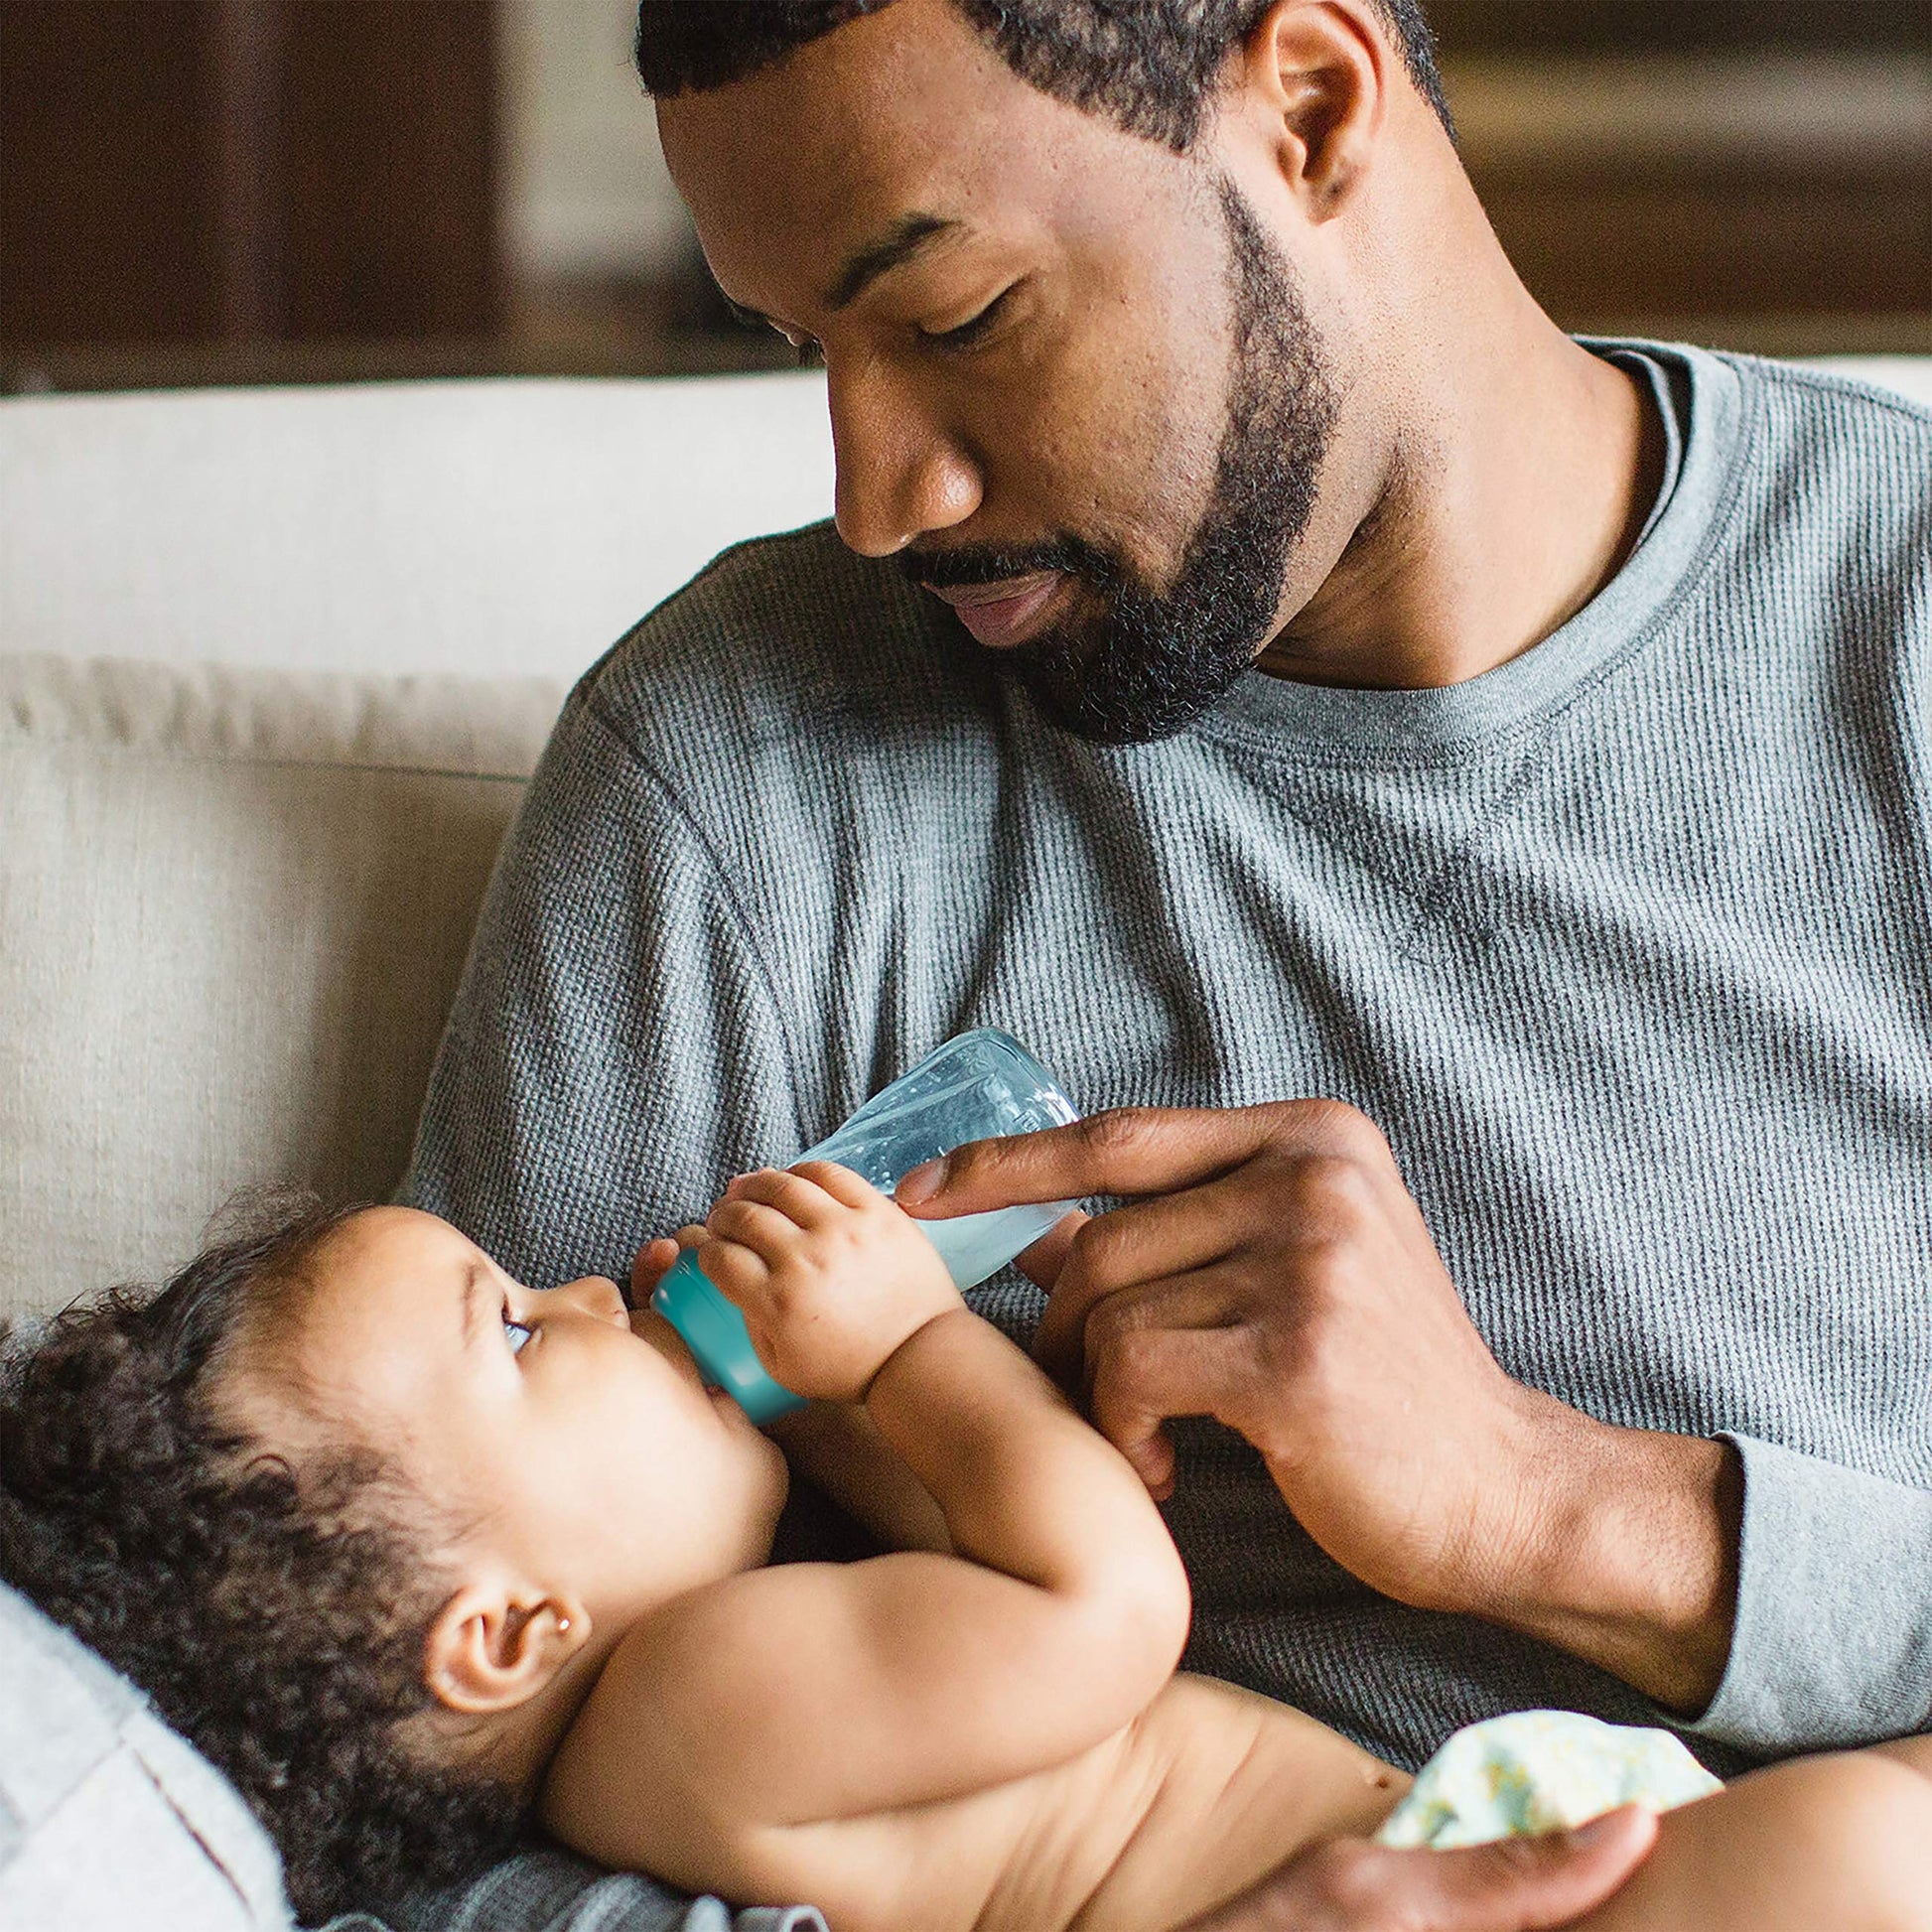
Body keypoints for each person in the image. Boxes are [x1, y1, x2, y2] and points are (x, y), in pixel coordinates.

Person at [400, 0, 1932, 1925]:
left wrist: (1557, 1508)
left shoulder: (1899, 640)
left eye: (954, 320)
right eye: (803, 348)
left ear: (1305, 108)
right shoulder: (744, 776)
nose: (880, 496)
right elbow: (425, 1800)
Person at [5, 1186, 1927, 1932]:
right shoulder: (686, 1708)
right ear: (504, 1629)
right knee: (1849, 1862)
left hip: (1461, 1832)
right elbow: (1099, 1605)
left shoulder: (726, 1693)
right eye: (517, 1328)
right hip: (1434, 1878)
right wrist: (904, 1344)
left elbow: (971, 1577)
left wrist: (840, 1412)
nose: (585, 1286)